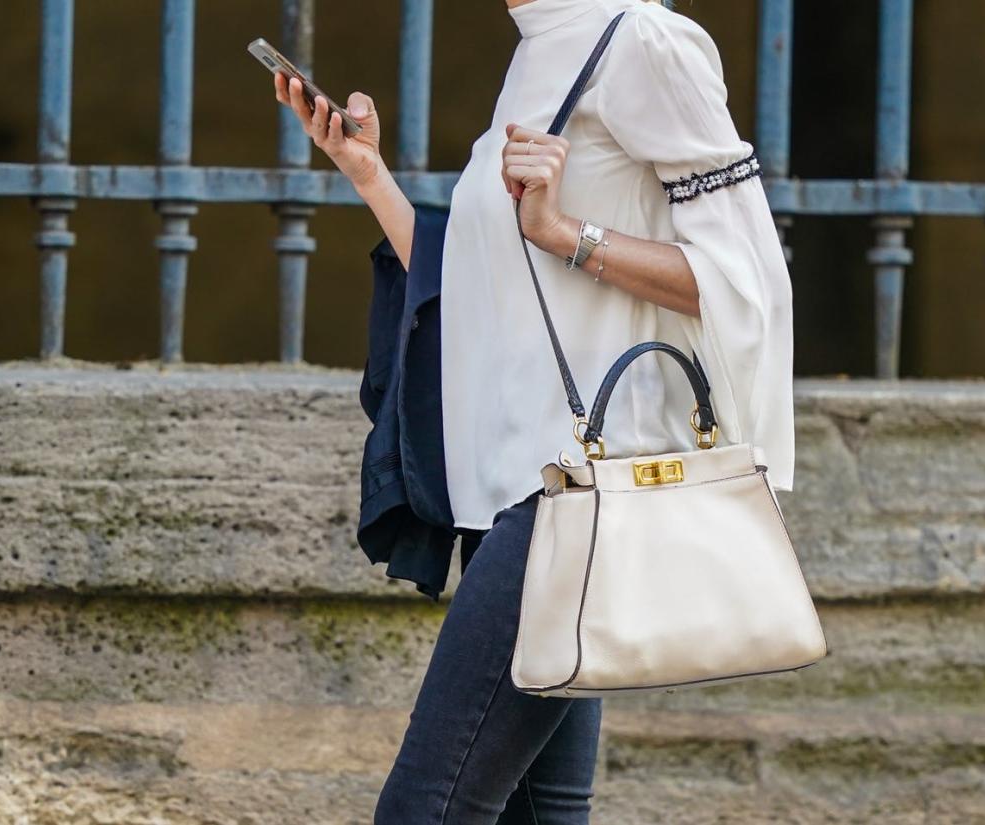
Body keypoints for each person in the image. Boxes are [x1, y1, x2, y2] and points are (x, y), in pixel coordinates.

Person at [273, 0, 794, 822]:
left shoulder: (644, 41)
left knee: (427, 806)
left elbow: (741, 282)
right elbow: (487, 285)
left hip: (579, 500)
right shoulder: (543, 46)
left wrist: (563, 231)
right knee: (539, 814)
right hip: (518, 488)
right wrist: (367, 172)